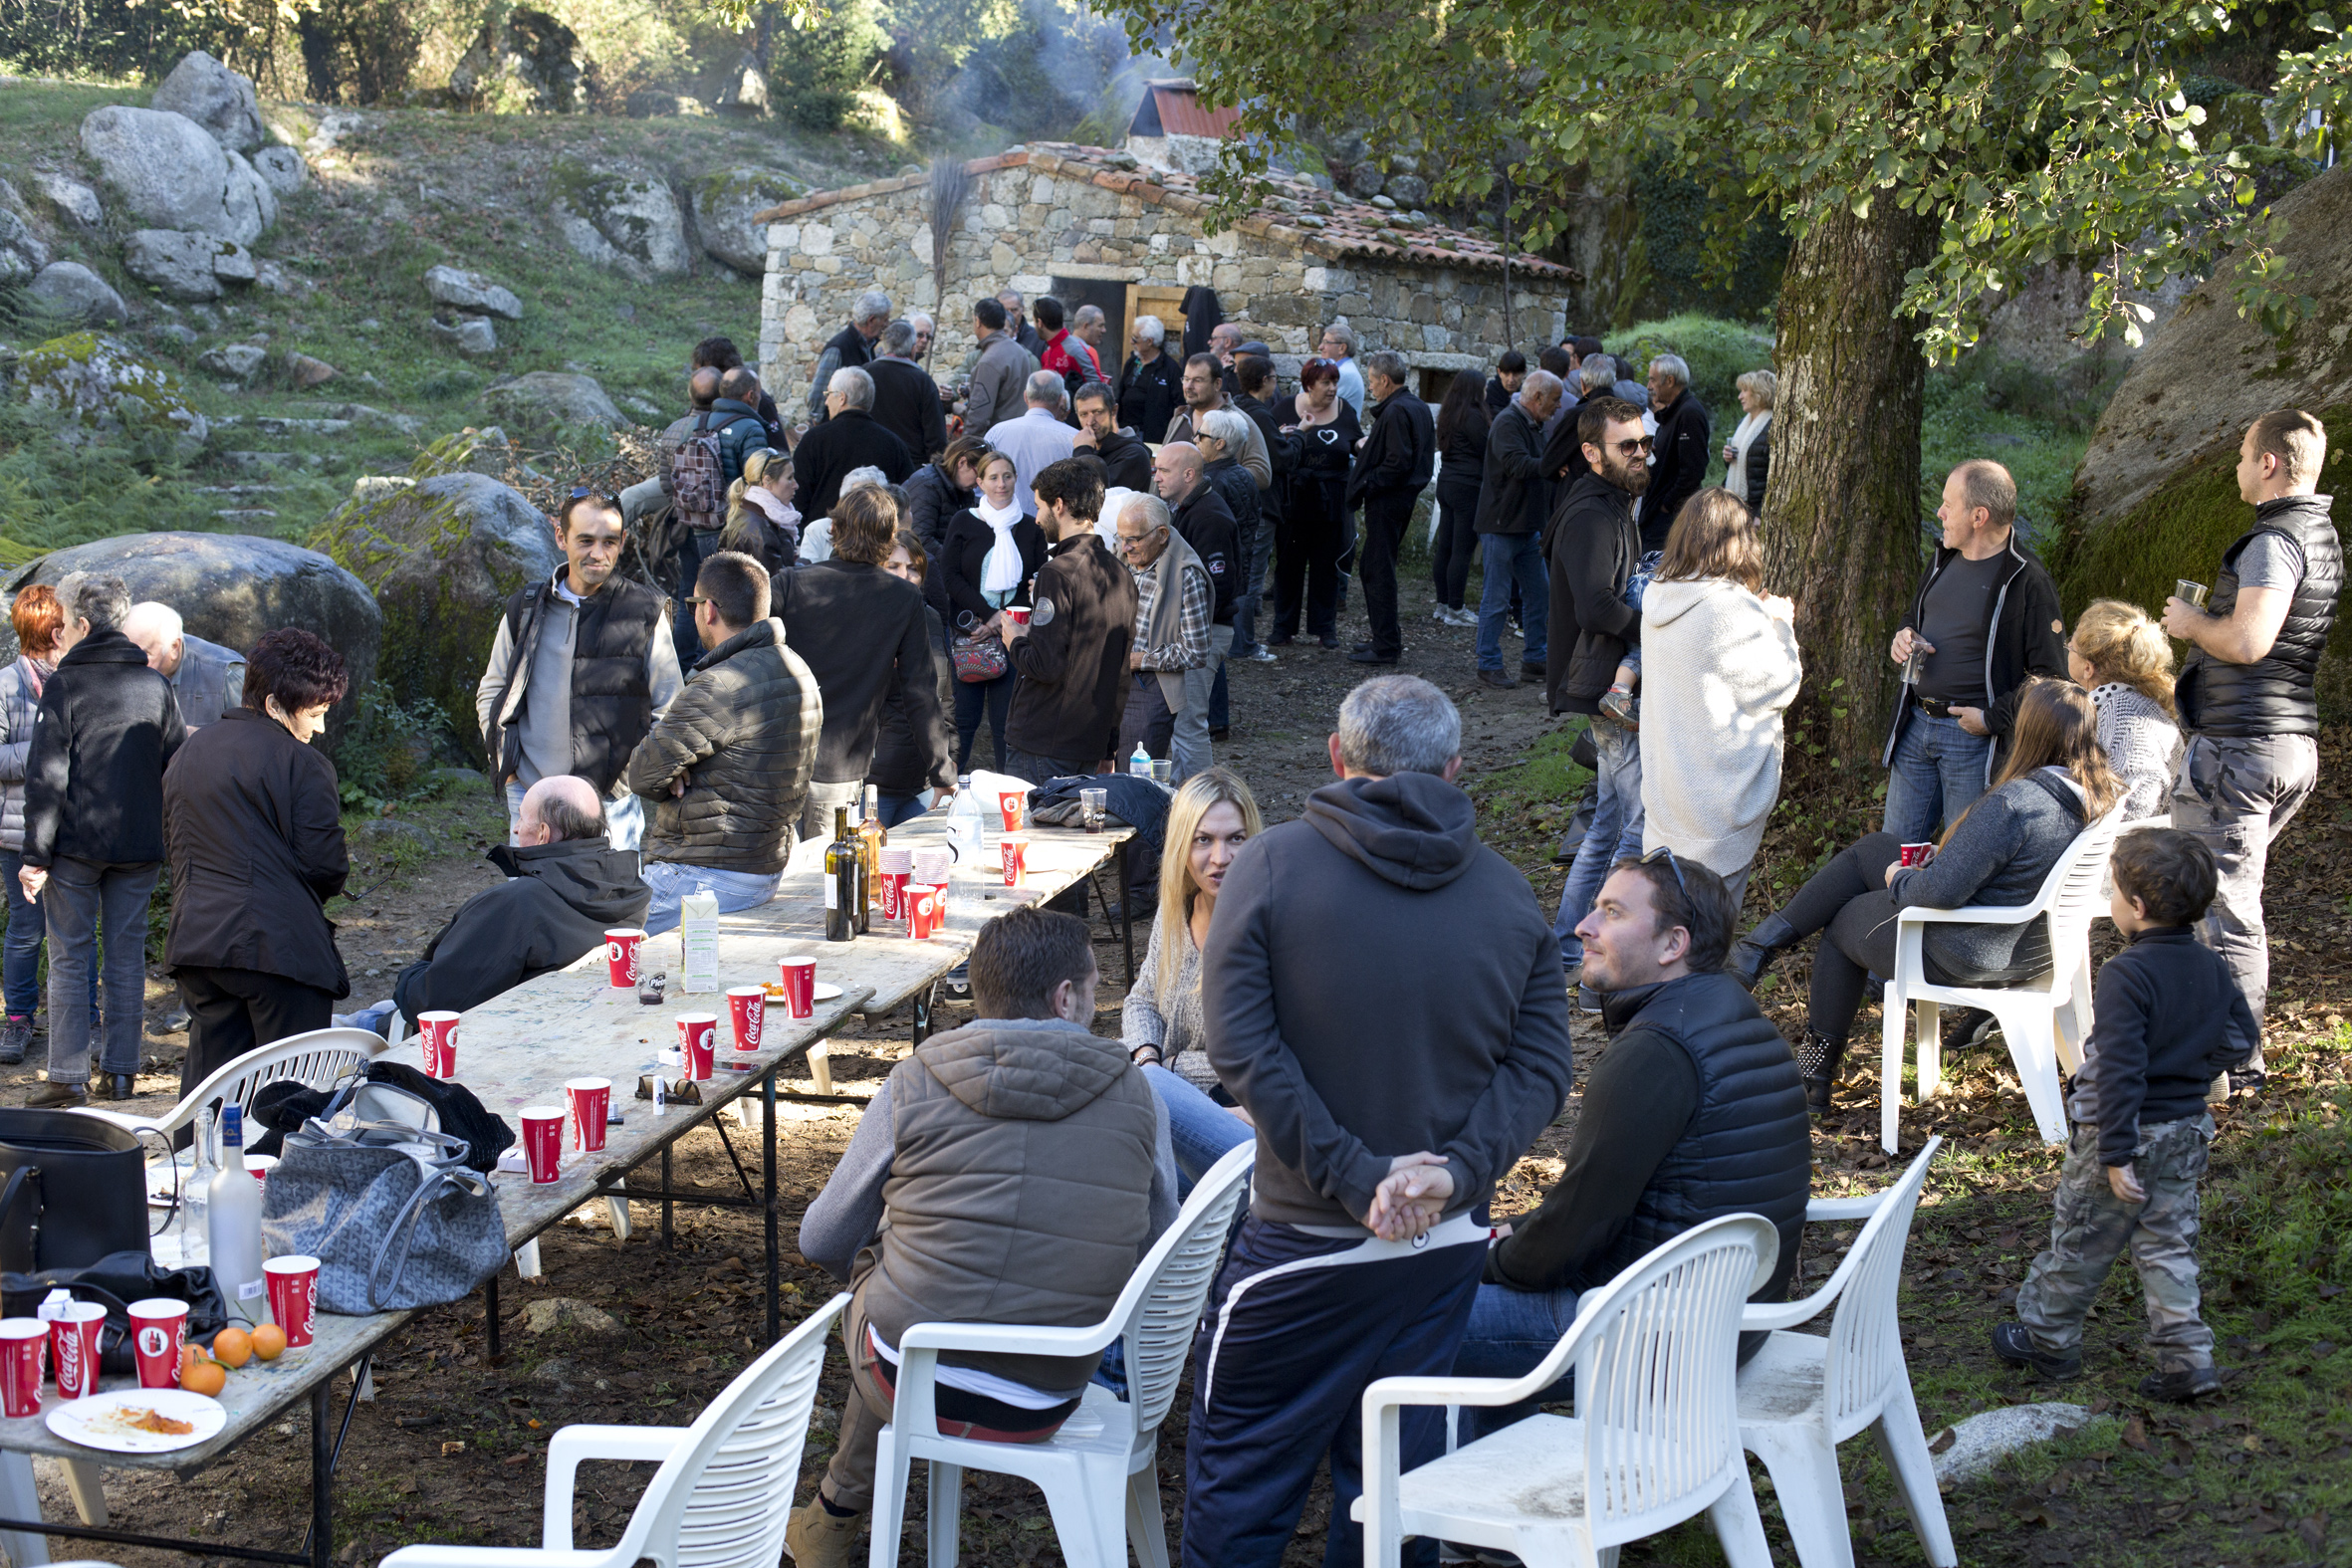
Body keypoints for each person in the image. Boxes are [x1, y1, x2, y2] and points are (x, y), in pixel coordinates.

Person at [1182, 676, 1574, 1568]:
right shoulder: (1513, 896)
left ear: (1335, 756)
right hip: (1439, 1248)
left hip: (1302, 1244)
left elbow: (1240, 1050)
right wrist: (1454, 1175)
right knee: (1396, 1497)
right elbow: (1545, 1066)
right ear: (1453, 768)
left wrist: (1360, 1177)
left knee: (1241, 1491)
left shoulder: (1269, 867)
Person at [786, 906, 1175, 1568]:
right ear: (1064, 996)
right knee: (913, 1274)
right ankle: (832, 1515)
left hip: (907, 1379)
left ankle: (834, 1513)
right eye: (1095, 983)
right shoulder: (1138, 1092)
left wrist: (903, 1250)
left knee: (886, 1263)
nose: (1099, 996)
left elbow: (820, 1238)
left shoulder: (915, 1078)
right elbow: (1157, 1246)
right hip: (1053, 1387)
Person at [1456, 850, 1807, 1440]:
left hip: (1654, 1334)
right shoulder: (1729, 1010)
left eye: (1612, 913)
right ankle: (1497, 1485)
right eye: (1593, 909)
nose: (1582, 928)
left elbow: (1572, 1233)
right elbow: (1618, 1203)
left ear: (1673, 945)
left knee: (1402, 1316)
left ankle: (1425, 1507)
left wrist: (1486, 1263)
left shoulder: (1656, 1051)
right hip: (1728, 1316)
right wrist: (1515, 1233)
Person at [1730, 678, 2123, 1111]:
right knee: (1876, 847)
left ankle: (1812, 1077)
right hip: (2032, 946)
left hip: (1969, 949)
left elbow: (1937, 894)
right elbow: (2019, 863)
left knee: (1843, 919)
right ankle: (1758, 948)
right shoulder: (2098, 795)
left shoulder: (2017, 803)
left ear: (2029, 733)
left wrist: (1901, 878)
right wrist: (1943, 856)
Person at [1996, 829, 2253, 1402]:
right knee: (2168, 1242)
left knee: (2084, 1237)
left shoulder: (2126, 975)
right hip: (2186, 1129)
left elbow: (2117, 1071)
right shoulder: (2212, 967)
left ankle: (2047, 1339)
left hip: (2121, 1134)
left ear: (2136, 908)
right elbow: (2240, 1040)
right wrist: (2188, 1062)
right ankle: (2187, 1360)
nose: (2110, 902)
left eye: (2112, 891)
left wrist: (2114, 1154)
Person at [2162, 408, 2338, 1095]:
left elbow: (2248, 641)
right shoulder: (2317, 532)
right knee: (2230, 901)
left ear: (2268, 463)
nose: (2236, 464)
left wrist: (2190, 623)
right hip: (2286, 740)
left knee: (2226, 908)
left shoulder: (2275, 540)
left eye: (2242, 453)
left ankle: (2238, 1061)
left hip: (2244, 746)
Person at [159, 627, 347, 1111]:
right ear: (273, 704)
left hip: (198, 945)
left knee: (209, 1098)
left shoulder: (187, 752)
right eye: (316, 713)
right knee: (292, 1100)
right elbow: (325, 867)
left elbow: (178, 848)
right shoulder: (302, 763)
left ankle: (189, 1181)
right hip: (279, 951)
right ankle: (283, 1184)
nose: (319, 729)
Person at [18, 573, 185, 1107]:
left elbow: (46, 778)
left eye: (67, 625)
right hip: (138, 847)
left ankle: (67, 1078)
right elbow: (176, 763)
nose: (62, 634)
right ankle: (121, 1073)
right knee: (126, 956)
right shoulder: (155, 686)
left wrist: (33, 856)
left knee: (69, 956)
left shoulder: (67, 685)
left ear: (85, 624)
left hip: (75, 847)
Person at [339, 778, 647, 1036]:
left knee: (332, 1030)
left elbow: (430, 1004)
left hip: (473, 1036)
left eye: (521, 819)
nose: (514, 830)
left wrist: (409, 976)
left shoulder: (521, 903)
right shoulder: (627, 890)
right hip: (564, 1025)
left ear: (542, 833)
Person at [624, 551, 819, 934]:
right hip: (763, 866)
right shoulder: (799, 667)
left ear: (708, 610)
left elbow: (642, 775)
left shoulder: (720, 685)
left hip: (705, 874)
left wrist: (675, 770)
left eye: (693, 603)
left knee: (598, 945)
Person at [477, 492, 680, 853]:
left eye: (609, 542)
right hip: (529, 795)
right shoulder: (525, 607)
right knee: (530, 906)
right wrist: (508, 770)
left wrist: (626, 782)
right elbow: (492, 690)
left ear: (622, 543)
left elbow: (670, 708)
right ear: (560, 538)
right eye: (585, 540)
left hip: (609, 804)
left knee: (608, 907)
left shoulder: (645, 611)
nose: (598, 554)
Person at [1881, 459, 2067, 844]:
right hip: (1915, 725)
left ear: (1979, 516)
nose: (1940, 512)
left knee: (1961, 855)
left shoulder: (2028, 580)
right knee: (1894, 850)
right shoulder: (1941, 559)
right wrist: (1905, 633)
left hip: (1974, 741)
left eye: (1949, 504)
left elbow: (2050, 680)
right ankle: (1892, 908)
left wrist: (1991, 718)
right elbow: (1913, 615)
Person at [1638, 491, 1802, 908]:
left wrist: (1756, 617)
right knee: (1706, 940)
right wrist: (1781, 626)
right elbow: (1778, 683)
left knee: (1667, 930)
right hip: (1713, 811)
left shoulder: (1660, 595)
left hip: (1668, 801)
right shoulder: (1728, 608)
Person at [777, 487, 951, 841]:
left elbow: (740, 655)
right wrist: (943, 771)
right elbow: (921, 691)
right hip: (835, 766)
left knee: (786, 878)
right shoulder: (903, 597)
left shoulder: (790, 582)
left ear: (836, 528)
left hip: (783, 757)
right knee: (829, 881)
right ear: (889, 537)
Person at [1546, 397, 1652, 983]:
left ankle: (1567, 943)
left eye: (1644, 443)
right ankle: (1598, 945)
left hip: (1605, 681)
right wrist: (1660, 633)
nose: (1640, 455)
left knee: (1610, 821)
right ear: (1591, 453)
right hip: (1606, 686)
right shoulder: (1593, 513)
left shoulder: (1614, 503)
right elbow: (1596, 606)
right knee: (1631, 823)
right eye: (1626, 446)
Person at [1125, 768, 1261, 1187]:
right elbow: (1142, 999)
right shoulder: (1177, 913)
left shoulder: (1275, 928)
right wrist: (1149, 1059)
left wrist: (1172, 1070)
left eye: (1236, 838)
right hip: (1176, 1110)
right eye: (1204, 839)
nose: (1220, 857)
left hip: (1254, 1136)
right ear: (1183, 845)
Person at [999, 458, 1136, 780]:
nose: (1036, 519)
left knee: (1029, 830)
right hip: (1089, 742)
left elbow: (1046, 664)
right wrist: (1109, 748)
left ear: (1058, 505)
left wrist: (1015, 640)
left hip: (1043, 742)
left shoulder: (1056, 573)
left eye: (1039, 507)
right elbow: (1120, 672)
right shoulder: (1122, 574)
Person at [936, 450, 1047, 773]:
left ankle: (1007, 796)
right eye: (994, 477)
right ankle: (950, 792)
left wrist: (1005, 620)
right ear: (980, 482)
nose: (1002, 484)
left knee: (1006, 725)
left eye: (1007, 476)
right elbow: (950, 576)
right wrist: (987, 615)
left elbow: (1038, 580)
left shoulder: (1031, 526)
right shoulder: (964, 521)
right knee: (963, 722)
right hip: (970, 634)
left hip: (1014, 637)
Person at [662, 366, 770, 668]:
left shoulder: (694, 423)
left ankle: (682, 668)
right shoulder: (750, 427)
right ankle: (715, 668)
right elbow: (758, 482)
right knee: (726, 602)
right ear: (751, 395)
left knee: (689, 597)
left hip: (689, 524)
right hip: (725, 529)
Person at [0, 587, 64, 1064]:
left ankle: (84, 1017)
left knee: (76, 928)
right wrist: (44, 753)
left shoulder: (75, 679)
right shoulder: (5, 684)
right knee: (25, 930)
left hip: (71, 828)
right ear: (50, 630)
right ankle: (19, 1019)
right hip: (16, 830)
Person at [1153, 443, 1239, 782]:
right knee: (1181, 723)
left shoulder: (1209, 516)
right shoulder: (1187, 507)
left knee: (1188, 724)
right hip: (1191, 631)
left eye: (1164, 470)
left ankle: (1201, 804)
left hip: (1202, 632)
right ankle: (1181, 796)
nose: (1155, 476)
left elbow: (1217, 587)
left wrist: (1180, 626)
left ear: (1189, 474)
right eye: (1156, 468)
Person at [1343, 349, 1435, 666]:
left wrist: (1370, 484)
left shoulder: (1398, 410)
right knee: (1374, 566)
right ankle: (1383, 639)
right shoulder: (1415, 406)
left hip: (1389, 500)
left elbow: (1398, 462)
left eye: (1371, 381)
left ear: (1385, 380)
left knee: (1378, 569)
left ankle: (1385, 646)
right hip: (1398, 498)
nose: (1370, 387)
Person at [1472, 368, 1560, 688]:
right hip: (1501, 526)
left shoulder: (1534, 423)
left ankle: (1535, 659)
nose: (1558, 406)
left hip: (1526, 527)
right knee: (1495, 599)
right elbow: (1518, 465)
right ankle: (1488, 663)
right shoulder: (1509, 422)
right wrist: (1556, 465)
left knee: (1539, 594)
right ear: (1537, 398)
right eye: (1554, 400)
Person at [1270, 358, 1360, 651]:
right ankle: (1283, 628)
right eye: (1326, 383)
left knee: (1326, 568)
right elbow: (1272, 448)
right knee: (1288, 567)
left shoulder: (1345, 410)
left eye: (1335, 382)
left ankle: (1325, 629)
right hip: (1294, 501)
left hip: (1330, 502)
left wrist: (1367, 444)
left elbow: (1355, 442)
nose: (1333, 388)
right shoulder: (1284, 408)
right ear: (1309, 385)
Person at [1115, 495, 1209, 770]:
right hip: (1111, 679)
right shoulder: (1126, 559)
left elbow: (1196, 651)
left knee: (1135, 777)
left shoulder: (1186, 575)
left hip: (1149, 684)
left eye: (1133, 539)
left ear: (1162, 535)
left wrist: (1139, 660)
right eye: (1121, 537)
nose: (1125, 547)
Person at [868, 530, 953, 828]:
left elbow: (944, 698)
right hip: (875, 786)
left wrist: (948, 760)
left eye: (914, 569)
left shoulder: (930, 618)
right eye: (893, 566)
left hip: (925, 783)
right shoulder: (863, 621)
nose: (905, 576)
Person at [2066, 600, 2181, 821]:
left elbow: (2142, 797)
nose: (2068, 647)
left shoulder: (2124, 714)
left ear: (2088, 668)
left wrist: (2103, 841)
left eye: (2071, 647)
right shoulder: (2126, 700)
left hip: (2136, 850)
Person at [793, 366, 916, 522]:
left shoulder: (814, 439)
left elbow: (798, 495)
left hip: (824, 536)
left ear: (842, 398)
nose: (825, 402)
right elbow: (907, 496)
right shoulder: (893, 443)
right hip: (877, 537)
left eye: (828, 394)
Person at [121, 603, 246, 731]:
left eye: (143, 654)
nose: (130, 663)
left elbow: (254, 737)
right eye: (125, 652)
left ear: (174, 648)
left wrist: (202, 738)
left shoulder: (227, 676)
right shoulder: (117, 667)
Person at [1431, 367, 1489, 629]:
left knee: (1446, 546)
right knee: (1461, 550)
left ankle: (1442, 604)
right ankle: (1456, 608)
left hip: (1447, 483)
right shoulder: (1473, 416)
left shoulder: (1449, 413)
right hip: (1468, 486)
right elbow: (1486, 449)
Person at [1164, 354, 1271, 489]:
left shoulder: (1239, 422)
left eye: (1198, 380)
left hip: (1215, 508)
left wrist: (1216, 479)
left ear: (1217, 384)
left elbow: (1262, 474)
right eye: (1186, 379)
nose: (1189, 386)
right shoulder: (1180, 418)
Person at [1641, 353, 1712, 553]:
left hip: (1670, 517)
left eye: (1653, 379)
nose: (1648, 386)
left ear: (1670, 381)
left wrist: (1667, 505)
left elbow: (1693, 471)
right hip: (1660, 512)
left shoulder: (1689, 413)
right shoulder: (1675, 412)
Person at [987, 370, 1080, 516]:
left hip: (1003, 523)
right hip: (1055, 527)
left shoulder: (996, 433)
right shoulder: (1074, 438)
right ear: (1061, 399)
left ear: (1025, 396)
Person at [865, 319, 947, 466]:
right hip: (909, 467)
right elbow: (936, 438)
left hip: (869, 462)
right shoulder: (923, 381)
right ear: (913, 349)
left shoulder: (863, 374)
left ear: (885, 347)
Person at [805, 290, 890, 425]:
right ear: (871, 320)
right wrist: (819, 427)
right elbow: (817, 395)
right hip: (835, 429)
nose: (887, 325)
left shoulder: (868, 347)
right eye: (885, 320)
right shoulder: (838, 348)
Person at [962, 297, 1039, 437]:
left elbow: (978, 418)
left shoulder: (988, 361)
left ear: (978, 321)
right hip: (1020, 436)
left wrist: (963, 450)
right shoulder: (1019, 351)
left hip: (998, 443)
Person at [717, 447, 799, 574]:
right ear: (767, 481)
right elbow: (775, 585)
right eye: (789, 478)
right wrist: (805, 565)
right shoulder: (757, 528)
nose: (795, 485)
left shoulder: (759, 515)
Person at [692, 336, 787, 447]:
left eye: (708, 372)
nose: (702, 378)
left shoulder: (759, 400)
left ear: (725, 370)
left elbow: (779, 450)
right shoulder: (704, 398)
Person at [902, 433, 987, 556]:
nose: (980, 483)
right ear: (962, 463)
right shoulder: (927, 485)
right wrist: (956, 562)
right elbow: (921, 539)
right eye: (979, 475)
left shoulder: (962, 488)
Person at [1068, 381, 1151, 492]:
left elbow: (1088, 496)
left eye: (1098, 412)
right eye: (1083, 414)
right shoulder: (1087, 446)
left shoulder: (1134, 454)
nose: (1090, 422)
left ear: (1114, 411)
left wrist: (1082, 451)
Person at [1117, 314, 1184, 441]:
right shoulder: (1132, 362)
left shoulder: (1170, 369)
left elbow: (1180, 405)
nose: (1131, 342)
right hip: (1126, 430)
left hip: (1151, 436)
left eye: (1136, 338)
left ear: (1149, 341)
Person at [1721, 368, 1774, 514]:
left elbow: (1774, 475)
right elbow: (1745, 465)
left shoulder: (1773, 425)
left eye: (1745, 390)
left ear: (1759, 393)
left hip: (1755, 508)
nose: (1740, 396)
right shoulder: (1743, 424)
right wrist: (1728, 458)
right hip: (1735, 504)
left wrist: (1760, 513)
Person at [1316, 320, 1366, 420]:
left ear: (1342, 348)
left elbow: (1312, 404)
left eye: (1326, 342)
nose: (1320, 347)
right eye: (1322, 342)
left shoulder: (1344, 374)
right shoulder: (1343, 370)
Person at [999, 287, 1046, 359]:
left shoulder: (1038, 339)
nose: (1010, 315)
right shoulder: (992, 338)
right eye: (1005, 311)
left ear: (1022, 309)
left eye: (1014, 310)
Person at [1485, 348, 1525, 416]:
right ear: (1499, 372)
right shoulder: (1487, 396)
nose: (1511, 380)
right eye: (1506, 374)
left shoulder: (1526, 397)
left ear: (1524, 373)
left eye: (1516, 374)